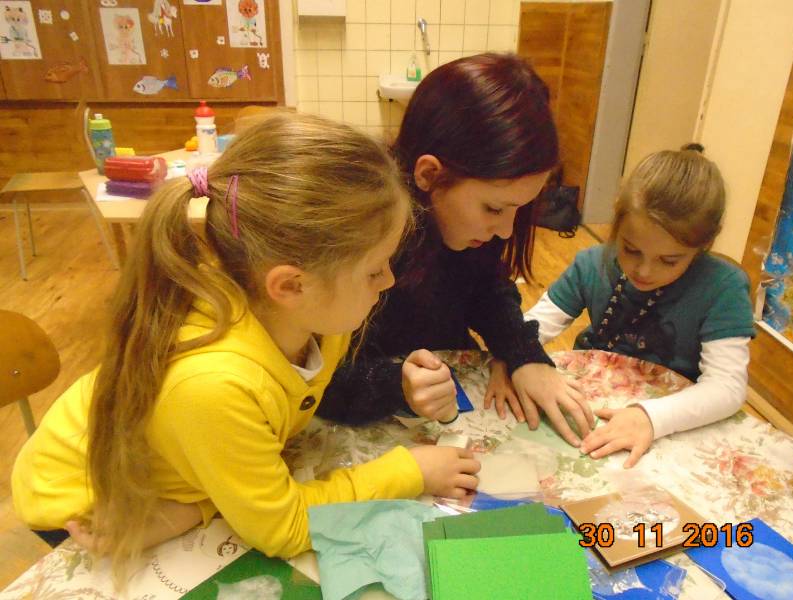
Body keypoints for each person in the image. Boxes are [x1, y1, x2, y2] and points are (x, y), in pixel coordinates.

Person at [11, 113, 480, 582]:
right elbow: (283, 528)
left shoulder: (310, 318)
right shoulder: (213, 384)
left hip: (189, 463)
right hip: (86, 501)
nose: (389, 281)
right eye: (375, 269)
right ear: (291, 285)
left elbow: (299, 398)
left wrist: (202, 505)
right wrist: (410, 471)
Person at [317, 52, 594, 447]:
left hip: (445, 386)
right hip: (362, 410)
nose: (506, 230)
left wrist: (522, 354)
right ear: (429, 174)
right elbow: (315, 380)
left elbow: (487, 289)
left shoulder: (467, 226)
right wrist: (397, 385)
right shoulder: (359, 236)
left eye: (520, 209)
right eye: (494, 209)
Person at [524, 144, 754, 467]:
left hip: (671, 422)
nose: (644, 271)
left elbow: (727, 387)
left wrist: (650, 417)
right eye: (631, 249)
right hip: (591, 409)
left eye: (669, 260)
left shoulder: (723, 288)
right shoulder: (592, 264)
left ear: (705, 244)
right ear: (617, 222)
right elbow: (532, 328)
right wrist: (518, 358)